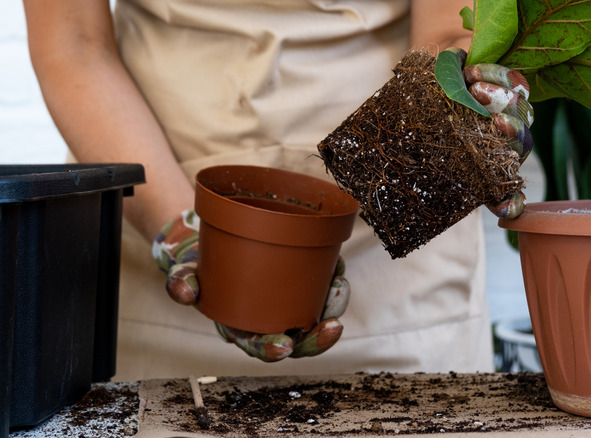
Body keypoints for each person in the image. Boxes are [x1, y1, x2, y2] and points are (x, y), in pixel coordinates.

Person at [23, 0, 532, 380]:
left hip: (392, 264)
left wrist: (462, 100)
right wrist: (181, 229)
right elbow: (74, 44)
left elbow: (452, 22)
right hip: (154, 210)